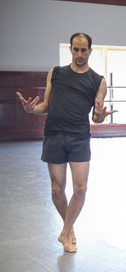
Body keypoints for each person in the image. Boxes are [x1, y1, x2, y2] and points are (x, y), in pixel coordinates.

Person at [16, 33, 115, 253]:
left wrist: (102, 116)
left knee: (80, 188)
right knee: (57, 188)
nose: (79, 54)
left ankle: (65, 232)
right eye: (75, 49)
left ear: (90, 50)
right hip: (54, 135)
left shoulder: (98, 81)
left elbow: (96, 118)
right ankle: (68, 229)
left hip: (79, 137)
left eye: (83, 50)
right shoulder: (56, 73)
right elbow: (46, 105)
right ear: (70, 49)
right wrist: (32, 109)